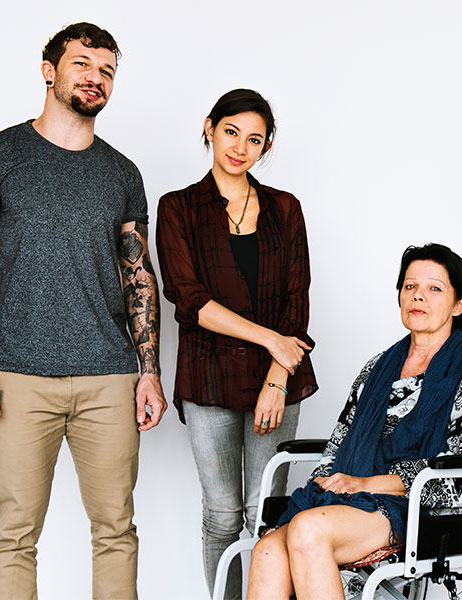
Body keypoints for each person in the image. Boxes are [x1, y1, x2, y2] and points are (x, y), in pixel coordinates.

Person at [0, 22, 165, 600]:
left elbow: (138, 274)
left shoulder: (122, 172)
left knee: (116, 529)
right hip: (19, 376)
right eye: (82, 64)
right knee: (15, 533)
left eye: (107, 71)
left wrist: (149, 372)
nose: (96, 78)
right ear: (49, 72)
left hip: (109, 377)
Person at [247, 244, 462, 600]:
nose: (418, 296)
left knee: (307, 531)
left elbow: (459, 479)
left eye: (434, 288)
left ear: (459, 304)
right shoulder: (377, 368)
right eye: (410, 286)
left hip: (421, 508)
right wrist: (326, 480)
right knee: (267, 550)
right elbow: (340, 441)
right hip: (355, 498)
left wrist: (366, 483)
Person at [154, 89, 320, 600]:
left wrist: (277, 377)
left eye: (254, 139)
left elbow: (296, 298)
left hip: (277, 379)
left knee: (263, 513)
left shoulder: (285, 208)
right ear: (209, 128)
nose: (240, 148)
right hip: (208, 377)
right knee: (223, 514)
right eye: (231, 132)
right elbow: (190, 300)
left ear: (265, 146)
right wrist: (271, 341)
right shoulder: (178, 208)